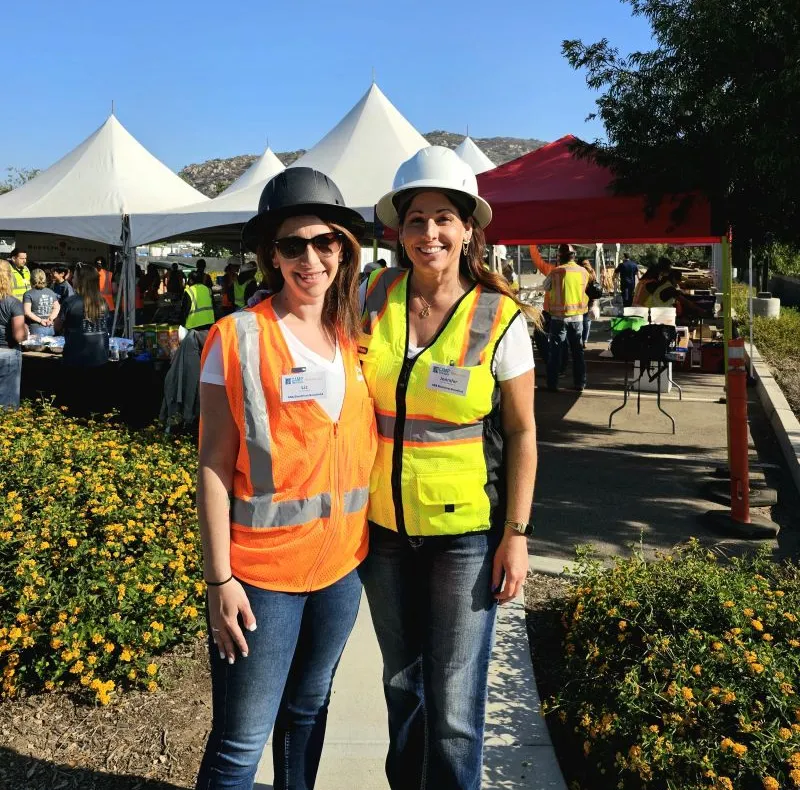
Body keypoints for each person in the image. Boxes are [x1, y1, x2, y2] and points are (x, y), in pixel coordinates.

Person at [194, 167, 376, 790]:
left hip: (339, 574)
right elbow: (214, 463)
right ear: (272, 255)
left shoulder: (355, 339)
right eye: (292, 245)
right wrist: (220, 578)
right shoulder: (238, 338)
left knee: (306, 715)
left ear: (343, 251)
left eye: (324, 242)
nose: (310, 258)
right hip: (260, 580)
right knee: (241, 742)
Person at [362, 146, 538, 790]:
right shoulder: (373, 295)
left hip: (463, 538)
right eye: (415, 219)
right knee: (401, 689)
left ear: (468, 229)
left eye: (443, 218)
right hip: (381, 531)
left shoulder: (499, 317)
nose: (428, 233)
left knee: (456, 710)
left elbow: (522, 433)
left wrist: (516, 536)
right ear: (399, 231)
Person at [543, 243, 588, 392]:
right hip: (578, 318)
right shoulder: (583, 272)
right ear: (574, 256)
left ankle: (552, 384)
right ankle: (580, 383)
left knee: (555, 352)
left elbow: (546, 286)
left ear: (560, 257)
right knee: (578, 352)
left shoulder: (556, 272)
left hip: (559, 318)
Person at [55, 263, 109, 368]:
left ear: (80, 281)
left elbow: (57, 326)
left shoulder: (70, 302)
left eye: (74, 277)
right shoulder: (103, 302)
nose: (72, 279)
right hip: (100, 358)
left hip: (76, 359)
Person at [0, 260, 27, 408]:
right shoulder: (13, 303)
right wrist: (26, 331)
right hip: (7, 352)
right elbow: (19, 336)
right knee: (7, 402)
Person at [23, 269, 60, 337]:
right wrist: (51, 318)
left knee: (36, 347)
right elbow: (57, 307)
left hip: (35, 328)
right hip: (50, 327)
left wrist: (40, 320)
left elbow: (27, 312)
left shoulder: (28, 294)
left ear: (31, 279)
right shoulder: (50, 292)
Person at [578, 258, 598, 348]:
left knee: (579, 320)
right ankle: (584, 340)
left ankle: (579, 339)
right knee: (587, 320)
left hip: (580, 297)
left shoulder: (578, 272)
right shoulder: (592, 271)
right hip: (590, 298)